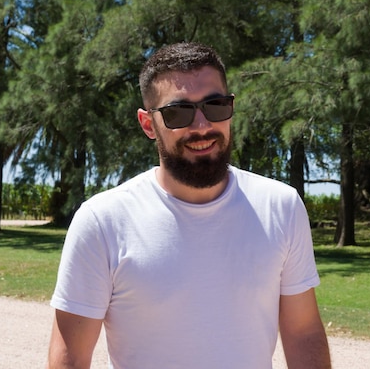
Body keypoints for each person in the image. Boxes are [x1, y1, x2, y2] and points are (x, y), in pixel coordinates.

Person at [47, 42, 331, 369]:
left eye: (215, 105)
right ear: (147, 124)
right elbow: (70, 358)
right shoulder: (102, 222)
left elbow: (303, 333)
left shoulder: (281, 207)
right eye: (178, 112)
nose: (201, 126)